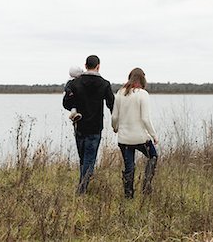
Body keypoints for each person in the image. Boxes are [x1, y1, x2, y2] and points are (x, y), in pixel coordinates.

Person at [63, 55, 115, 194]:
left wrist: (73, 106)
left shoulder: (75, 83)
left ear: (85, 66)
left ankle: (82, 187)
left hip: (79, 125)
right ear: (98, 66)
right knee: (89, 160)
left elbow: (66, 103)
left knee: (83, 159)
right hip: (95, 127)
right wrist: (116, 122)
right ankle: (82, 190)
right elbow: (112, 104)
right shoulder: (104, 84)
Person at [111, 67, 158, 199]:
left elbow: (114, 117)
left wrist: (115, 128)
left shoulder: (120, 93)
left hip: (124, 139)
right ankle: (146, 185)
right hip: (141, 138)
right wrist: (153, 135)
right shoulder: (143, 94)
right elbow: (145, 119)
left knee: (129, 167)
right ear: (143, 79)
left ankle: (128, 195)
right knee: (153, 156)